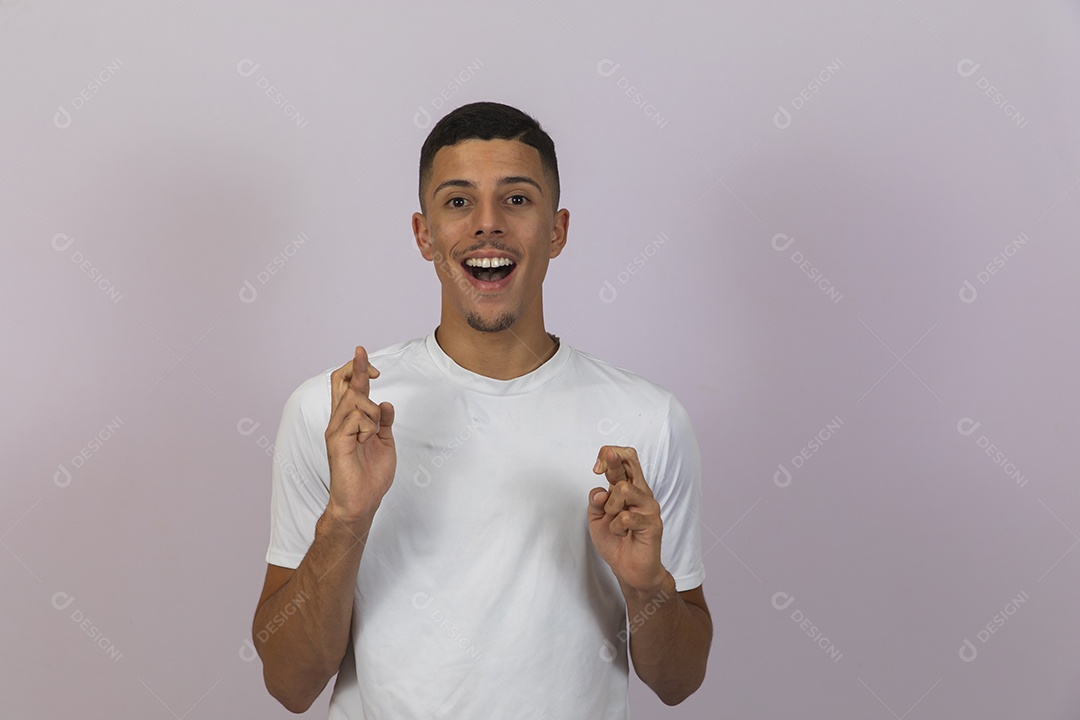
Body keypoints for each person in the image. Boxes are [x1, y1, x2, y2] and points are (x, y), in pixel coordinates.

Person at [252, 101, 712, 718]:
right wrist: (346, 518)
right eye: (458, 201)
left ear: (557, 230)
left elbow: (679, 681)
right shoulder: (335, 416)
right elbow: (289, 683)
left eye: (517, 200)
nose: (487, 225)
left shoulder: (649, 418)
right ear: (424, 234)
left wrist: (644, 585)